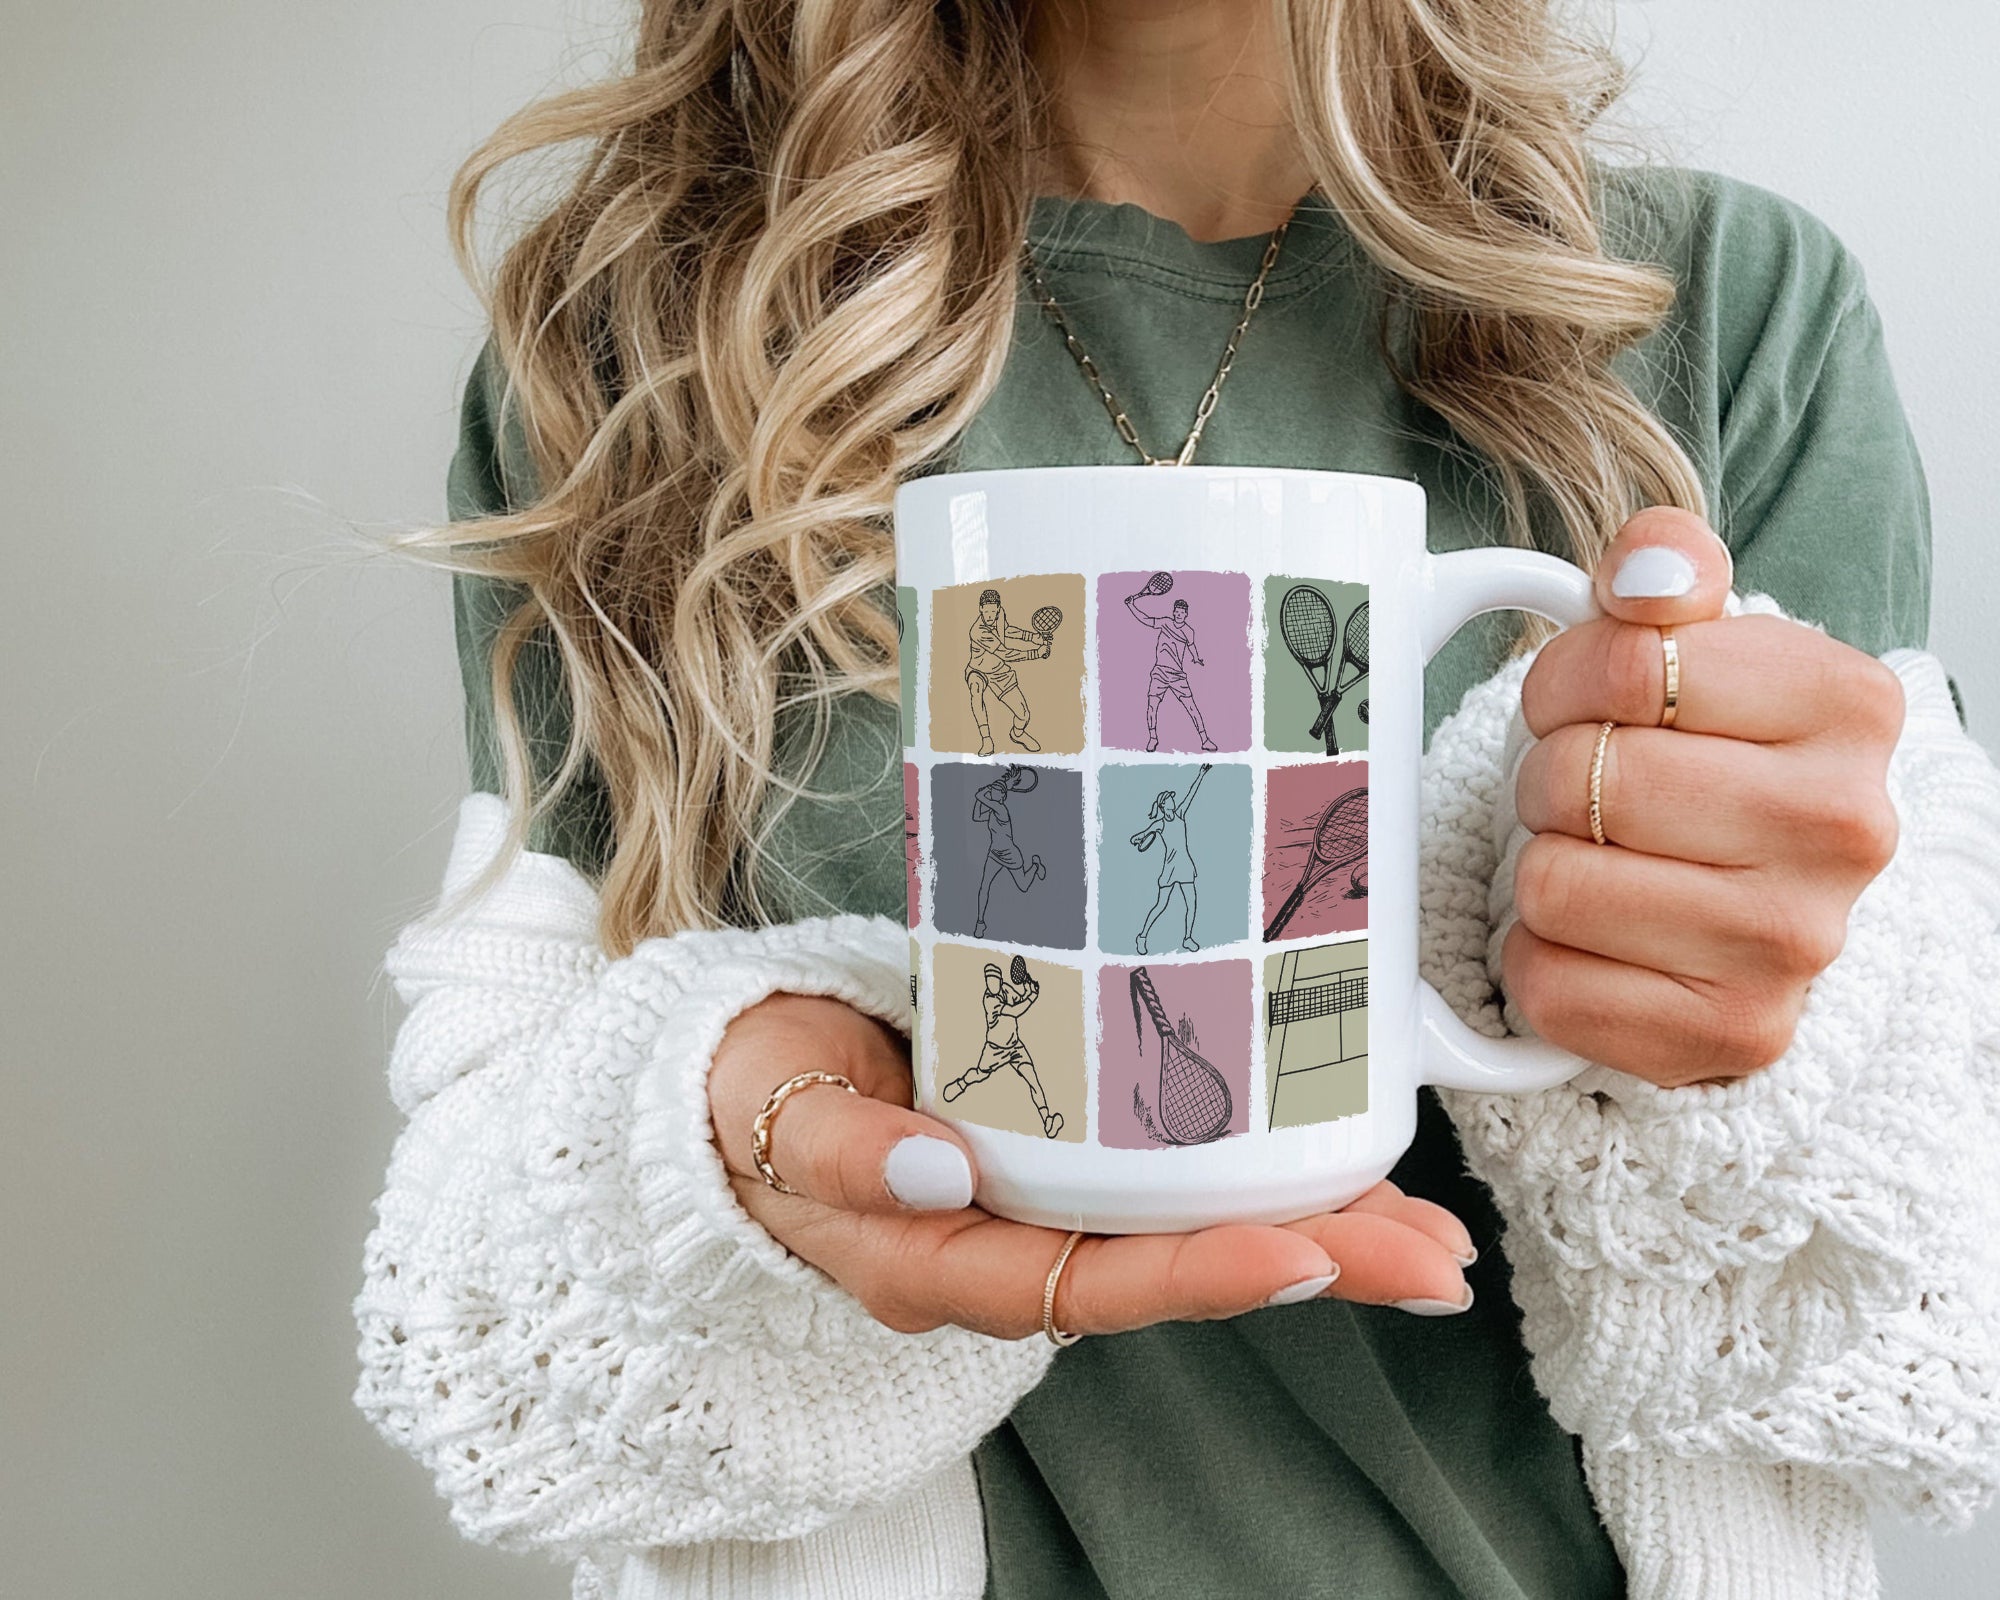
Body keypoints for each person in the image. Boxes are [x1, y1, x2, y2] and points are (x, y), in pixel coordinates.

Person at [351, 1, 2000, 1596]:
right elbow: (481, 1294)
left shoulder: (1717, 309)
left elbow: (1930, 1291)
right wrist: (706, 1166)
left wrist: (1758, 1026)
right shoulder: (633, 352)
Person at [942, 960, 1062, 1139]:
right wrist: (1031, 997)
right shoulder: (990, 1000)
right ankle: (961, 1084)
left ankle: (1047, 1120)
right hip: (995, 1049)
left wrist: (1028, 991)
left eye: (994, 980)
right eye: (988, 981)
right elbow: (1014, 1011)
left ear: (999, 980)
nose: (992, 984)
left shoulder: (1006, 989)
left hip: (1015, 1047)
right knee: (979, 1074)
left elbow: (1018, 1001)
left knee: (1033, 1081)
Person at [1130, 765, 1209, 953]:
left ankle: (1187, 938)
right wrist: (1136, 839)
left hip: (1185, 867)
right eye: (1170, 800)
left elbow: (1191, 794)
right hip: (1170, 868)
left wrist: (1201, 774)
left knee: (1192, 904)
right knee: (1160, 906)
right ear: (1163, 805)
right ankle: (1142, 937)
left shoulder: (1181, 814)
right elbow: (1141, 835)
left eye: (1173, 799)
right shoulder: (1160, 823)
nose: (1173, 801)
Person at [1126, 589, 1217, 751]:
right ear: (1173, 612)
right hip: (1159, 673)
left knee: (1192, 707)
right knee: (1152, 706)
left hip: (1178, 676)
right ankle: (1153, 738)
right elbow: (1145, 619)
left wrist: (1196, 659)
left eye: (1182, 612)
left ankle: (1205, 740)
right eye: (1177, 611)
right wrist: (1131, 606)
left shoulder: (1189, 632)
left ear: (1186, 614)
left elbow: (1192, 648)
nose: (1179, 614)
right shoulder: (1165, 622)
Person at [966, 587, 1048, 755]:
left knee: (1024, 715)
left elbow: (1007, 630)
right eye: (986, 611)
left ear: (998, 609)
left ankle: (1017, 734)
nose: (990, 616)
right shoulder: (978, 631)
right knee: (976, 689)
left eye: (993, 611)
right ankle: (986, 740)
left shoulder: (999, 614)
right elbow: (1005, 653)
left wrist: (1033, 637)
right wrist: (1036, 653)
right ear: (980, 609)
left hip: (999, 672)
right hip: (978, 670)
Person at [971, 767, 1046, 937]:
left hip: (1011, 855)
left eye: (997, 791)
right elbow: (976, 816)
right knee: (984, 886)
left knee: (1024, 886)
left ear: (1002, 797)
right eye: (994, 790)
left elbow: (980, 796)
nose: (994, 793)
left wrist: (984, 791)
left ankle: (1035, 865)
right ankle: (980, 923)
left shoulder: (1001, 810)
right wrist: (982, 795)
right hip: (994, 854)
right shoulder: (992, 810)